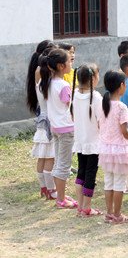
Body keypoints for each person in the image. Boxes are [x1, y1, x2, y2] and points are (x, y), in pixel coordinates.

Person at [98, 70, 128, 224]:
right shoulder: (121, 107)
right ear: (121, 85)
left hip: (106, 149)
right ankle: (117, 214)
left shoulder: (103, 105)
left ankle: (109, 213)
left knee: (109, 182)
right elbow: (123, 130)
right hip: (120, 149)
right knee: (120, 183)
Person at [39, 48, 77, 208]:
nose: (71, 63)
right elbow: (71, 106)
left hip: (55, 128)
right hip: (66, 128)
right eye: (69, 61)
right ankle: (61, 199)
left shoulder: (47, 83)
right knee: (63, 165)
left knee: (59, 163)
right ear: (61, 66)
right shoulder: (63, 85)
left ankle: (60, 194)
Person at [26, 40, 57, 199]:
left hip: (41, 121)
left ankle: (44, 188)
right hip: (51, 122)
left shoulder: (40, 84)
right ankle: (52, 190)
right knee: (50, 157)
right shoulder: (52, 86)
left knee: (42, 157)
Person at [70, 64, 103, 217]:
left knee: (81, 172)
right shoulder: (96, 97)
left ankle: (81, 206)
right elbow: (101, 120)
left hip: (81, 141)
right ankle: (87, 207)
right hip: (93, 142)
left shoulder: (74, 94)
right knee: (91, 174)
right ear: (94, 78)